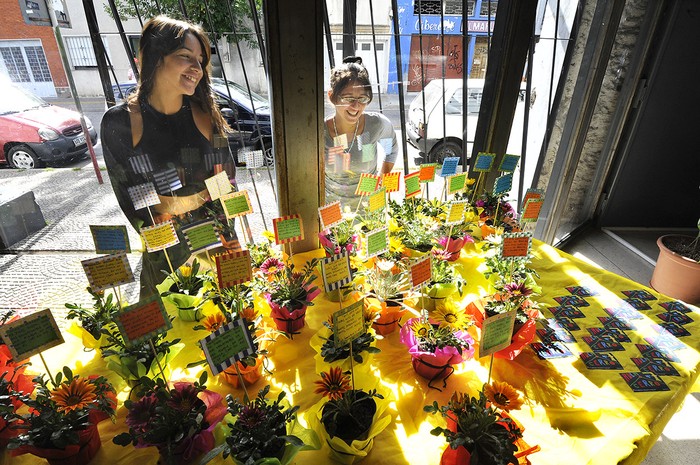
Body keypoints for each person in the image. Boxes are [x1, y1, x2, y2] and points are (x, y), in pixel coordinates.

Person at [101, 16, 238, 298]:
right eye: (185, 57)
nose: (197, 68)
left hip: (212, 236)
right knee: (168, 322)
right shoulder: (119, 122)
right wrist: (157, 227)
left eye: (200, 60)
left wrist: (226, 229)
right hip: (163, 242)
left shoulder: (209, 115)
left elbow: (225, 179)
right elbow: (127, 190)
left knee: (220, 318)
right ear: (154, 57)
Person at [324, 56, 397, 209]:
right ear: (332, 96)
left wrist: (382, 180)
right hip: (332, 212)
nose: (356, 106)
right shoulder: (319, 133)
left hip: (369, 211)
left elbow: (391, 150)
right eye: (348, 98)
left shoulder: (375, 125)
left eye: (363, 99)